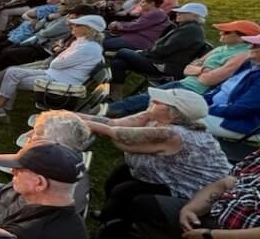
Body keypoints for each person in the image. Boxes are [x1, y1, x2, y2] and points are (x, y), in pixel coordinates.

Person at [80, 88, 232, 225]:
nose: (154, 100)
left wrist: (71, 119)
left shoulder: (174, 134)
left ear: (174, 112)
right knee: (118, 176)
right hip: (165, 172)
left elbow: (118, 135)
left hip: (192, 187)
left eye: (161, 101)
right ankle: (109, 213)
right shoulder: (153, 116)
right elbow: (112, 123)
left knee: (124, 191)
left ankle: (112, 228)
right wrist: (69, 113)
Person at [107, 19, 259, 116]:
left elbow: (210, 80)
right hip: (186, 82)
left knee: (148, 98)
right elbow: (188, 68)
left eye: (226, 32)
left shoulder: (242, 55)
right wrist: (201, 70)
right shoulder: (222, 48)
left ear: (242, 37)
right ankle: (110, 112)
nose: (220, 33)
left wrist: (199, 70)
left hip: (197, 92)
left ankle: (106, 114)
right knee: (146, 96)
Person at [0, 14, 105, 121]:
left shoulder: (88, 48)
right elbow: (58, 61)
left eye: (77, 25)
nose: (73, 26)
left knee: (12, 77)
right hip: (55, 75)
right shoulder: (83, 43)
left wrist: (59, 57)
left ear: (88, 29)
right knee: (12, 73)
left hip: (62, 83)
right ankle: (0, 109)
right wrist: (59, 57)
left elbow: (55, 63)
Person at [203, 34, 260, 139]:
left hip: (241, 124)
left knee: (177, 118)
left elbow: (240, 110)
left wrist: (205, 109)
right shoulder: (248, 65)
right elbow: (220, 89)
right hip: (220, 111)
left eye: (255, 46)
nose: (249, 47)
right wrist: (198, 100)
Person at [102, 0, 170, 51]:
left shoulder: (155, 14)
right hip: (134, 37)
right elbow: (136, 24)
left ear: (152, 3)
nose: (140, 4)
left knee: (104, 43)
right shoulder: (156, 13)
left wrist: (117, 24)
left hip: (139, 41)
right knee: (104, 37)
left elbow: (135, 26)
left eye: (143, 2)